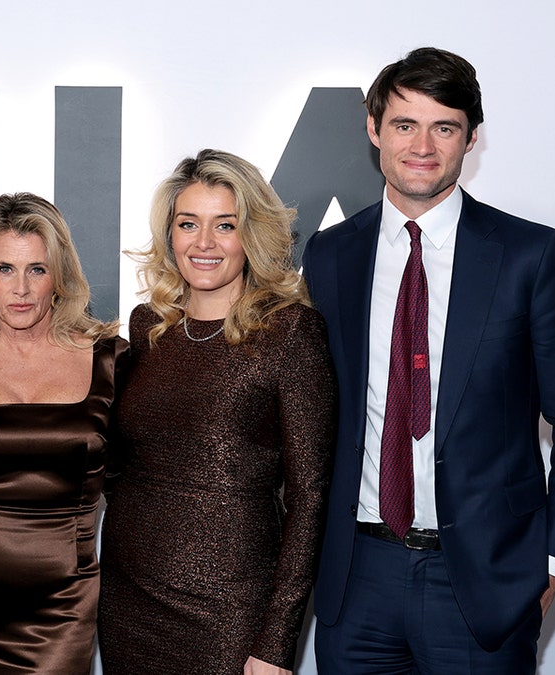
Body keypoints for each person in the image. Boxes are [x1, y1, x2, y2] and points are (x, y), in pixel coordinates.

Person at [302, 47, 555, 673]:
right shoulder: (331, 254)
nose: (422, 145)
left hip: (481, 581)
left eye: (444, 126)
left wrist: (550, 567)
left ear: (470, 138)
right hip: (357, 577)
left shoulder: (532, 257)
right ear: (372, 129)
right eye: (404, 124)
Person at [98, 149, 337, 675]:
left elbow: (309, 498)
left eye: (224, 225)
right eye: (188, 224)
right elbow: (121, 469)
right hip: (128, 597)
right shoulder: (148, 327)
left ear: (250, 235)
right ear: (170, 234)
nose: (203, 243)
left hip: (230, 611)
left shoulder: (290, 332)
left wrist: (276, 641)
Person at [0, 192, 126, 674]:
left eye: (36, 269)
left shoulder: (111, 360)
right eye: (5, 269)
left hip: (62, 603)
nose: (20, 288)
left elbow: (143, 482)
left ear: (58, 277)